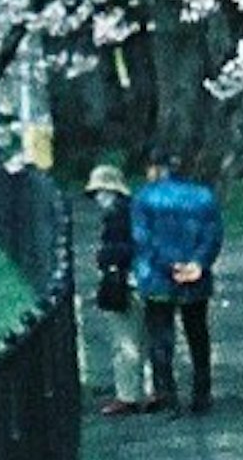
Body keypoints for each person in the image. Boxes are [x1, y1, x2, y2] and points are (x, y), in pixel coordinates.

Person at [131, 154, 222, 408]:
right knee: (197, 331)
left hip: (157, 276)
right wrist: (198, 263)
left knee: (160, 333)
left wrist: (168, 265)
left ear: (156, 169)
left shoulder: (145, 197)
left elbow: (143, 238)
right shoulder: (204, 196)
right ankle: (202, 390)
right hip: (195, 277)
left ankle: (165, 391)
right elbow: (213, 235)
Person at [83, 161, 147, 407]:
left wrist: (104, 258)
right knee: (145, 337)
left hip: (124, 281)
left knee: (125, 340)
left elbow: (120, 250)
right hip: (143, 279)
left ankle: (127, 394)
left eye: (100, 192)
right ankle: (152, 390)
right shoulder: (135, 211)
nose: (98, 198)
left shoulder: (117, 217)